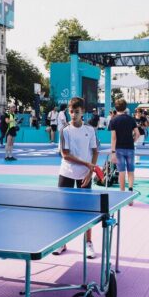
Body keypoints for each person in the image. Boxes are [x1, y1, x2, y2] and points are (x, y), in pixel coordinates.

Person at [53, 97, 98, 258]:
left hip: (84, 175)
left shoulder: (90, 130)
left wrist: (89, 171)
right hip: (66, 173)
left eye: (76, 112)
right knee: (63, 210)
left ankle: (88, 243)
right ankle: (62, 242)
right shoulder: (64, 131)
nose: (73, 115)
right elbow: (65, 155)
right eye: (71, 112)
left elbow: (95, 151)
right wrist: (87, 164)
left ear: (83, 112)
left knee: (86, 211)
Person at [110, 98, 140, 204]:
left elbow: (114, 138)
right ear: (125, 107)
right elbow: (137, 134)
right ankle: (130, 192)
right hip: (130, 148)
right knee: (130, 172)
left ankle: (122, 195)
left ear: (115, 107)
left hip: (118, 149)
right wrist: (133, 140)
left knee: (121, 172)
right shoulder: (131, 119)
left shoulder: (113, 120)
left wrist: (113, 152)